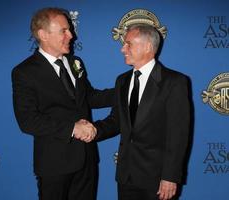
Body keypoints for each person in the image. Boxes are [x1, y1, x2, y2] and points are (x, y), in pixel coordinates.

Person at [11, 7, 113, 200]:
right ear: (43, 35)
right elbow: (27, 120)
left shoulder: (76, 62)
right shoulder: (24, 72)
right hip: (54, 164)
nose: (71, 35)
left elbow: (89, 98)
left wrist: (127, 89)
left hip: (86, 158)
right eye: (64, 31)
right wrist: (73, 129)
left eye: (70, 29)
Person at [91, 24, 190, 200]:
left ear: (147, 47)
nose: (122, 49)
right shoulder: (122, 80)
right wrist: (93, 130)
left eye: (128, 44)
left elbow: (178, 134)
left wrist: (170, 176)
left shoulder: (174, 82)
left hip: (158, 178)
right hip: (126, 176)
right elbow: (117, 121)